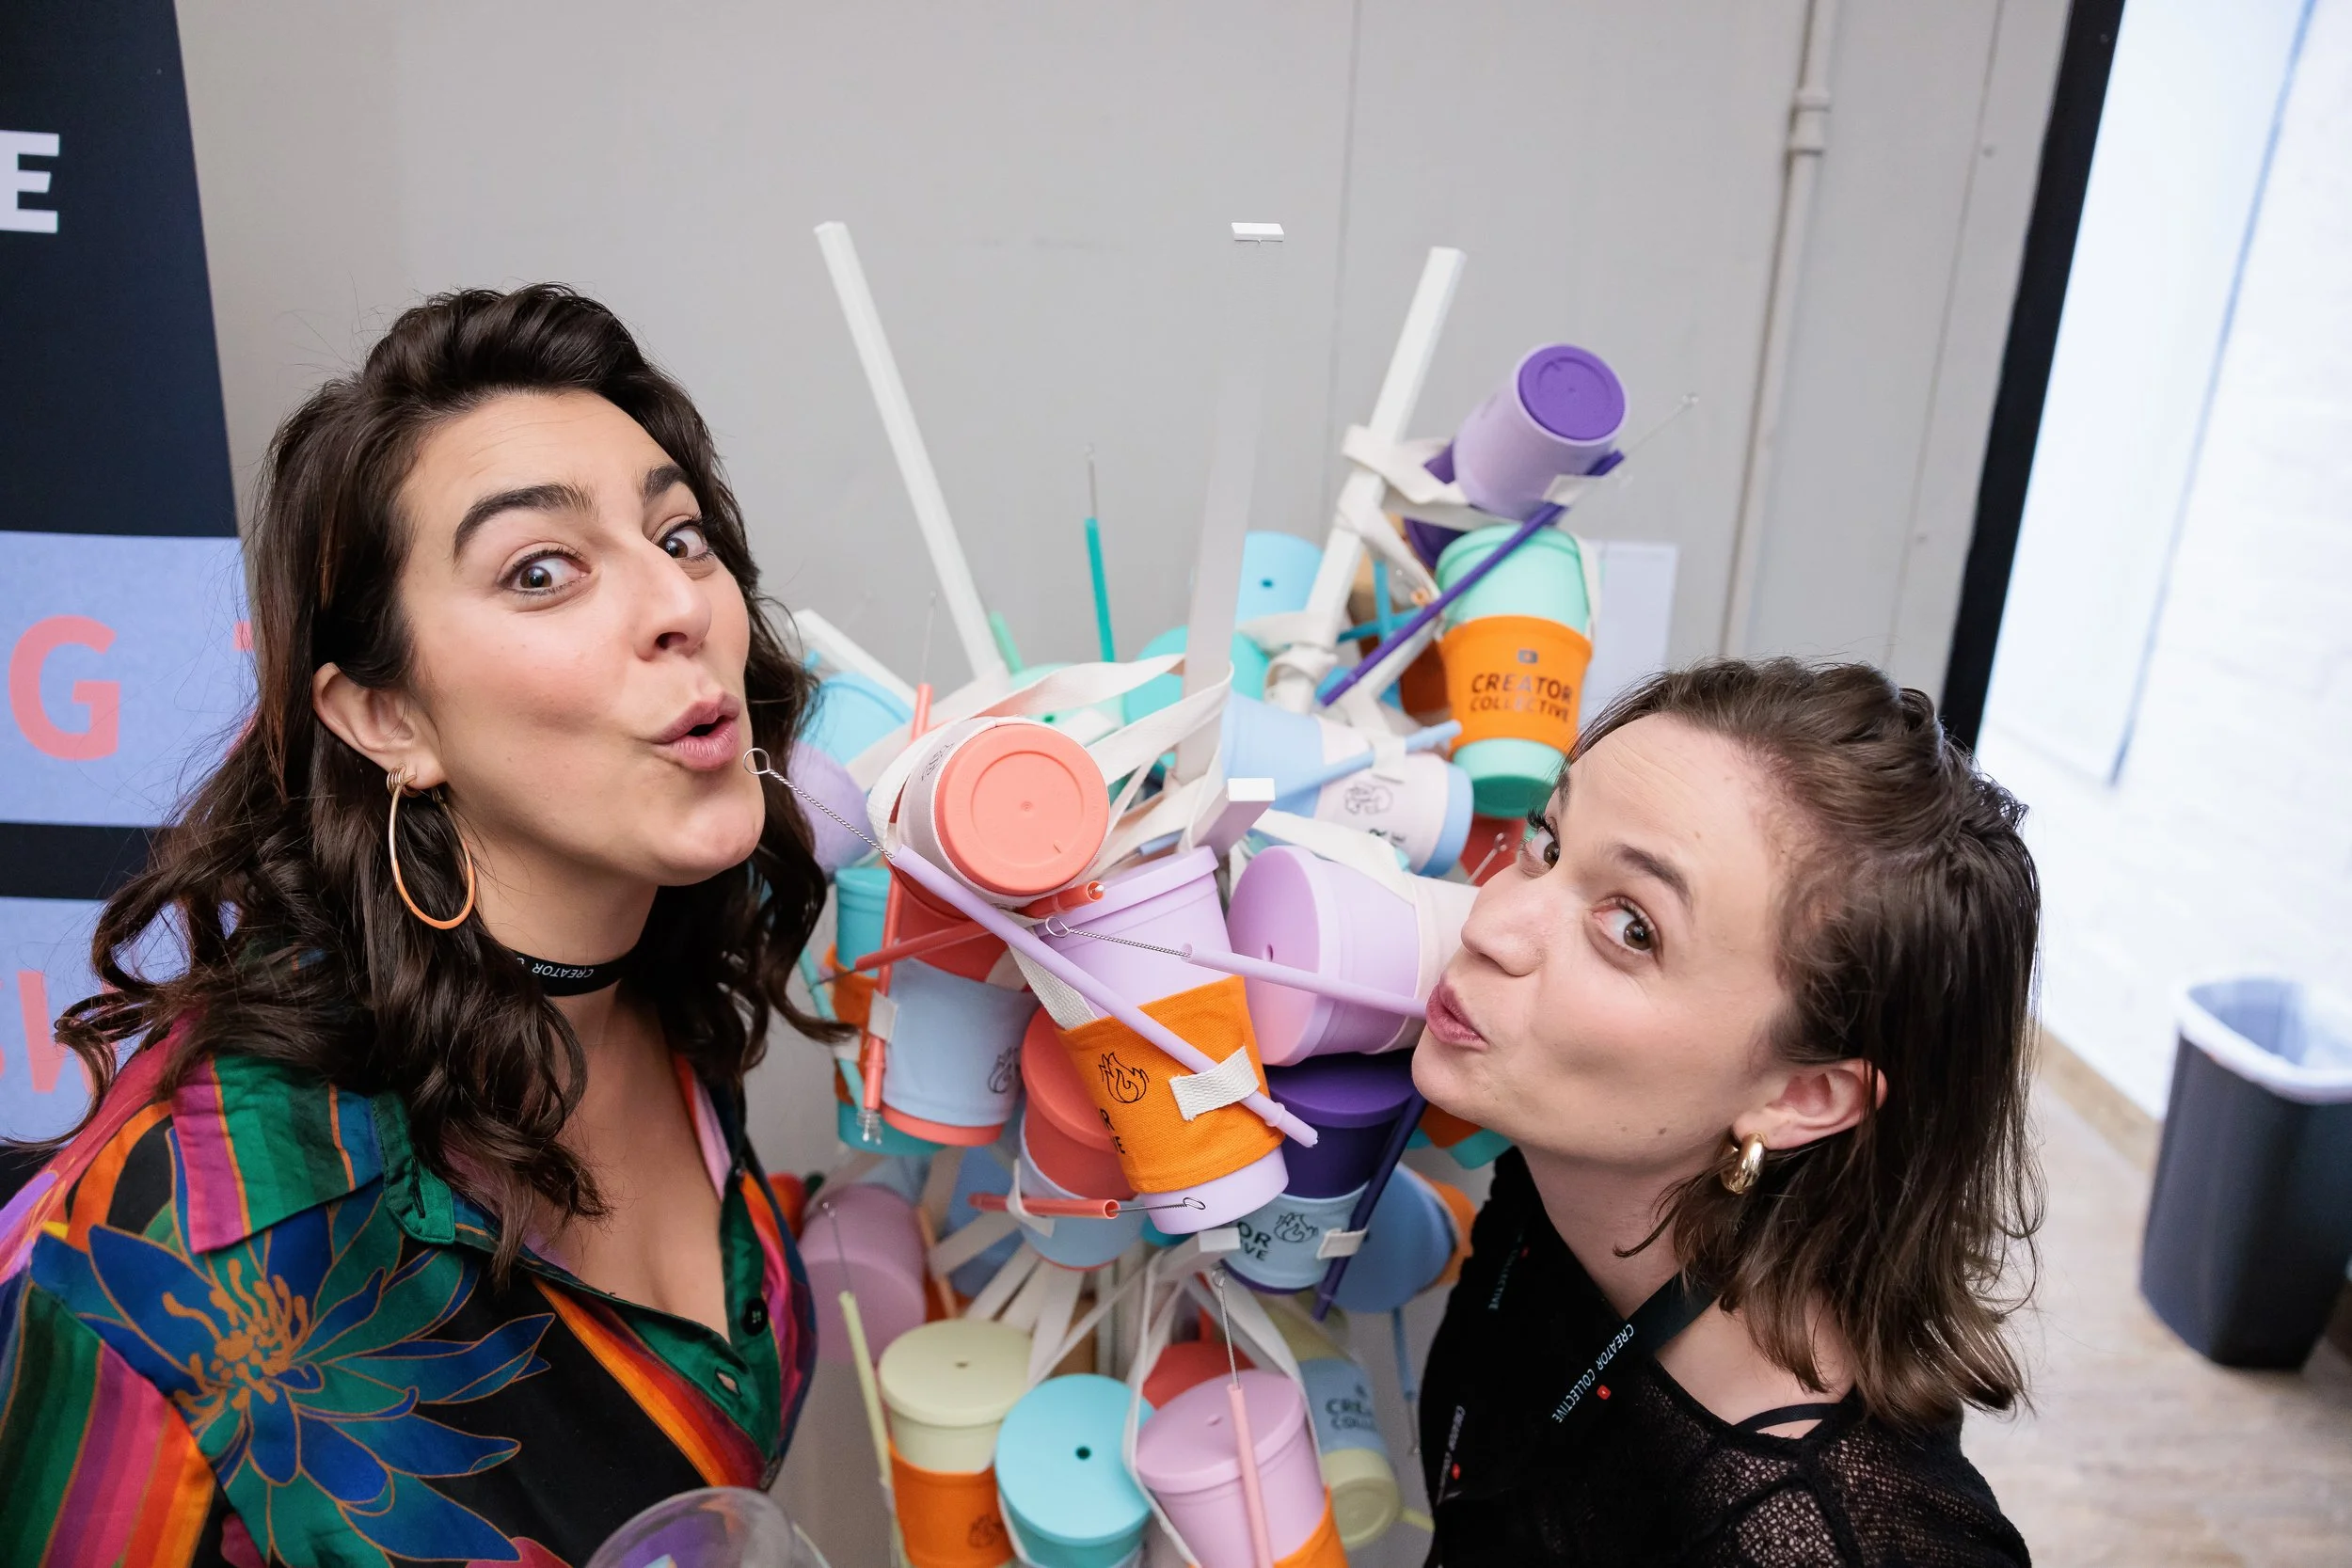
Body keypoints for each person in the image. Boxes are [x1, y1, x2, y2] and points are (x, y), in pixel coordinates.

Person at [0, 286, 837, 1566]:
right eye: (541, 570)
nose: (679, 603)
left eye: (679, 534)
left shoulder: (655, 955)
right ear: (386, 718)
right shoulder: (160, 1266)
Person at [1414, 659, 2040, 1566]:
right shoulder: (1567, 1176)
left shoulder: (1830, 1542)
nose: (1490, 924)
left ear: (1799, 1097)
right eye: (1548, 842)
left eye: (1632, 927)